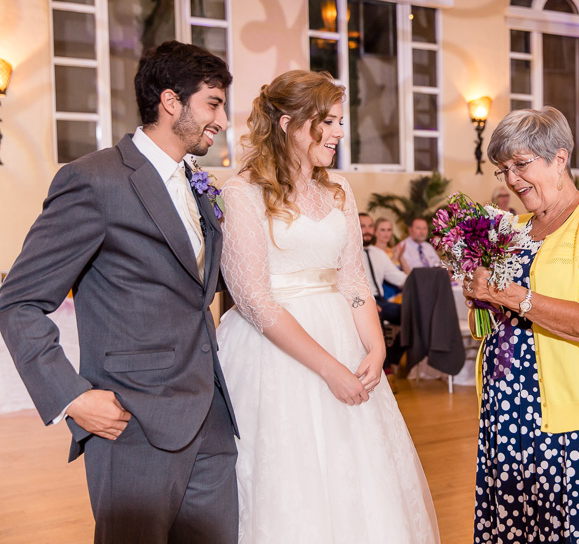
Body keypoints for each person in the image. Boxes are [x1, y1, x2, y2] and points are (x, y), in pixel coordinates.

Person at [0, 41, 238, 542]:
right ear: (171, 101)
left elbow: (199, 287)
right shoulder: (93, 180)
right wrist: (72, 398)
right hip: (133, 422)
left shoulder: (200, 184)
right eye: (213, 103)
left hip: (211, 418)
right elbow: (18, 302)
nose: (222, 120)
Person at [215, 70, 439, 543]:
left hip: (344, 333)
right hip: (275, 352)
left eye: (340, 121)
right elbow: (254, 299)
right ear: (288, 123)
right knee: (290, 479)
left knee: (357, 477)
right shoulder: (240, 192)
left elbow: (354, 277)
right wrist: (330, 369)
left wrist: (375, 350)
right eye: (329, 121)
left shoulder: (338, 188)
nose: (339, 132)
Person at [464, 106, 579, 543]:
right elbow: (489, 325)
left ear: (560, 159)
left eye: (521, 165)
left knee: (574, 531)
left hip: (567, 418)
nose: (512, 180)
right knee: (514, 529)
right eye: (504, 170)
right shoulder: (514, 228)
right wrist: (480, 299)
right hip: (505, 410)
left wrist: (517, 298)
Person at [360, 212, 408, 370]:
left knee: (413, 315)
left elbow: (399, 277)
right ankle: (385, 371)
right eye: (362, 226)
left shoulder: (379, 254)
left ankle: (393, 357)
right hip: (360, 302)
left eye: (370, 226)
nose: (367, 230)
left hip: (381, 301)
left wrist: (422, 279)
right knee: (375, 315)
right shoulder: (349, 253)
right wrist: (368, 303)